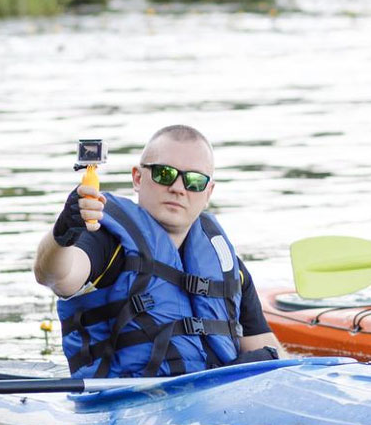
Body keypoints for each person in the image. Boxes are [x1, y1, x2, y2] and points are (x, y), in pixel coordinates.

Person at [33, 124, 278, 376]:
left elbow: (271, 359)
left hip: (213, 400)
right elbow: (55, 277)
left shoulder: (226, 264)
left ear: (208, 192)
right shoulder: (103, 238)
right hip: (127, 402)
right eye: (164, 174)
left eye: (194, 181)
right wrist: (62, 235)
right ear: (138, 178)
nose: (178, 188)